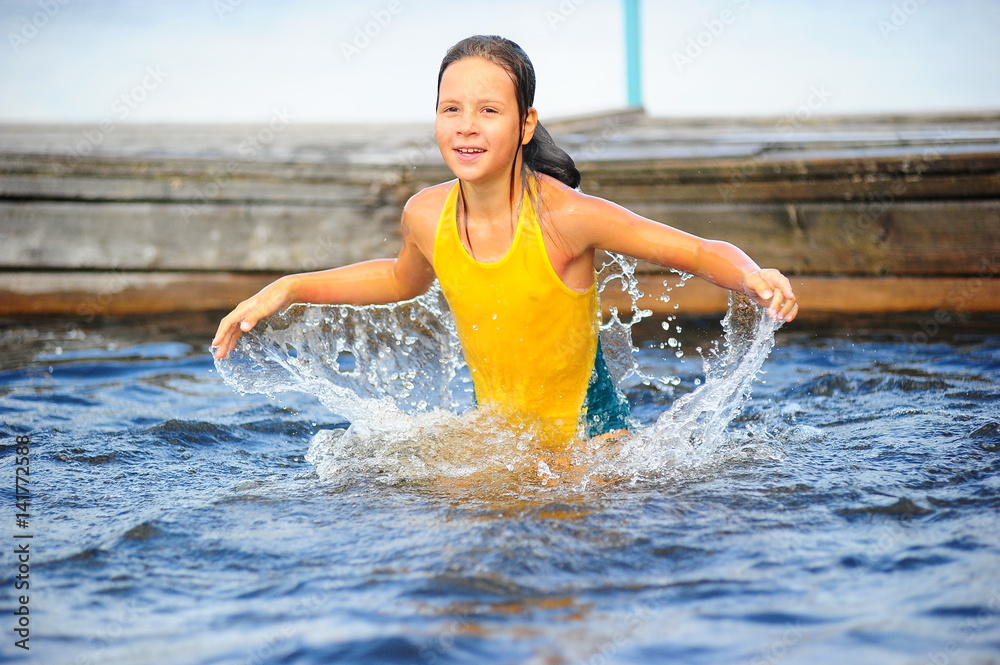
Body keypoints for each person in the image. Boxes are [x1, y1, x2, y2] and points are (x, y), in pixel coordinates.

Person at [212, 35, 798, 447]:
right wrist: (289, 288)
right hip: (502, 440)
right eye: (451, 108)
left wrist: (753, 276)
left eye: (489, 110)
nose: (466, 124)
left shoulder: (564, 217)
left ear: (524, 125)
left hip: (593, 449)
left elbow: (692, 251)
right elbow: (397, 279)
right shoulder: (426, 213)